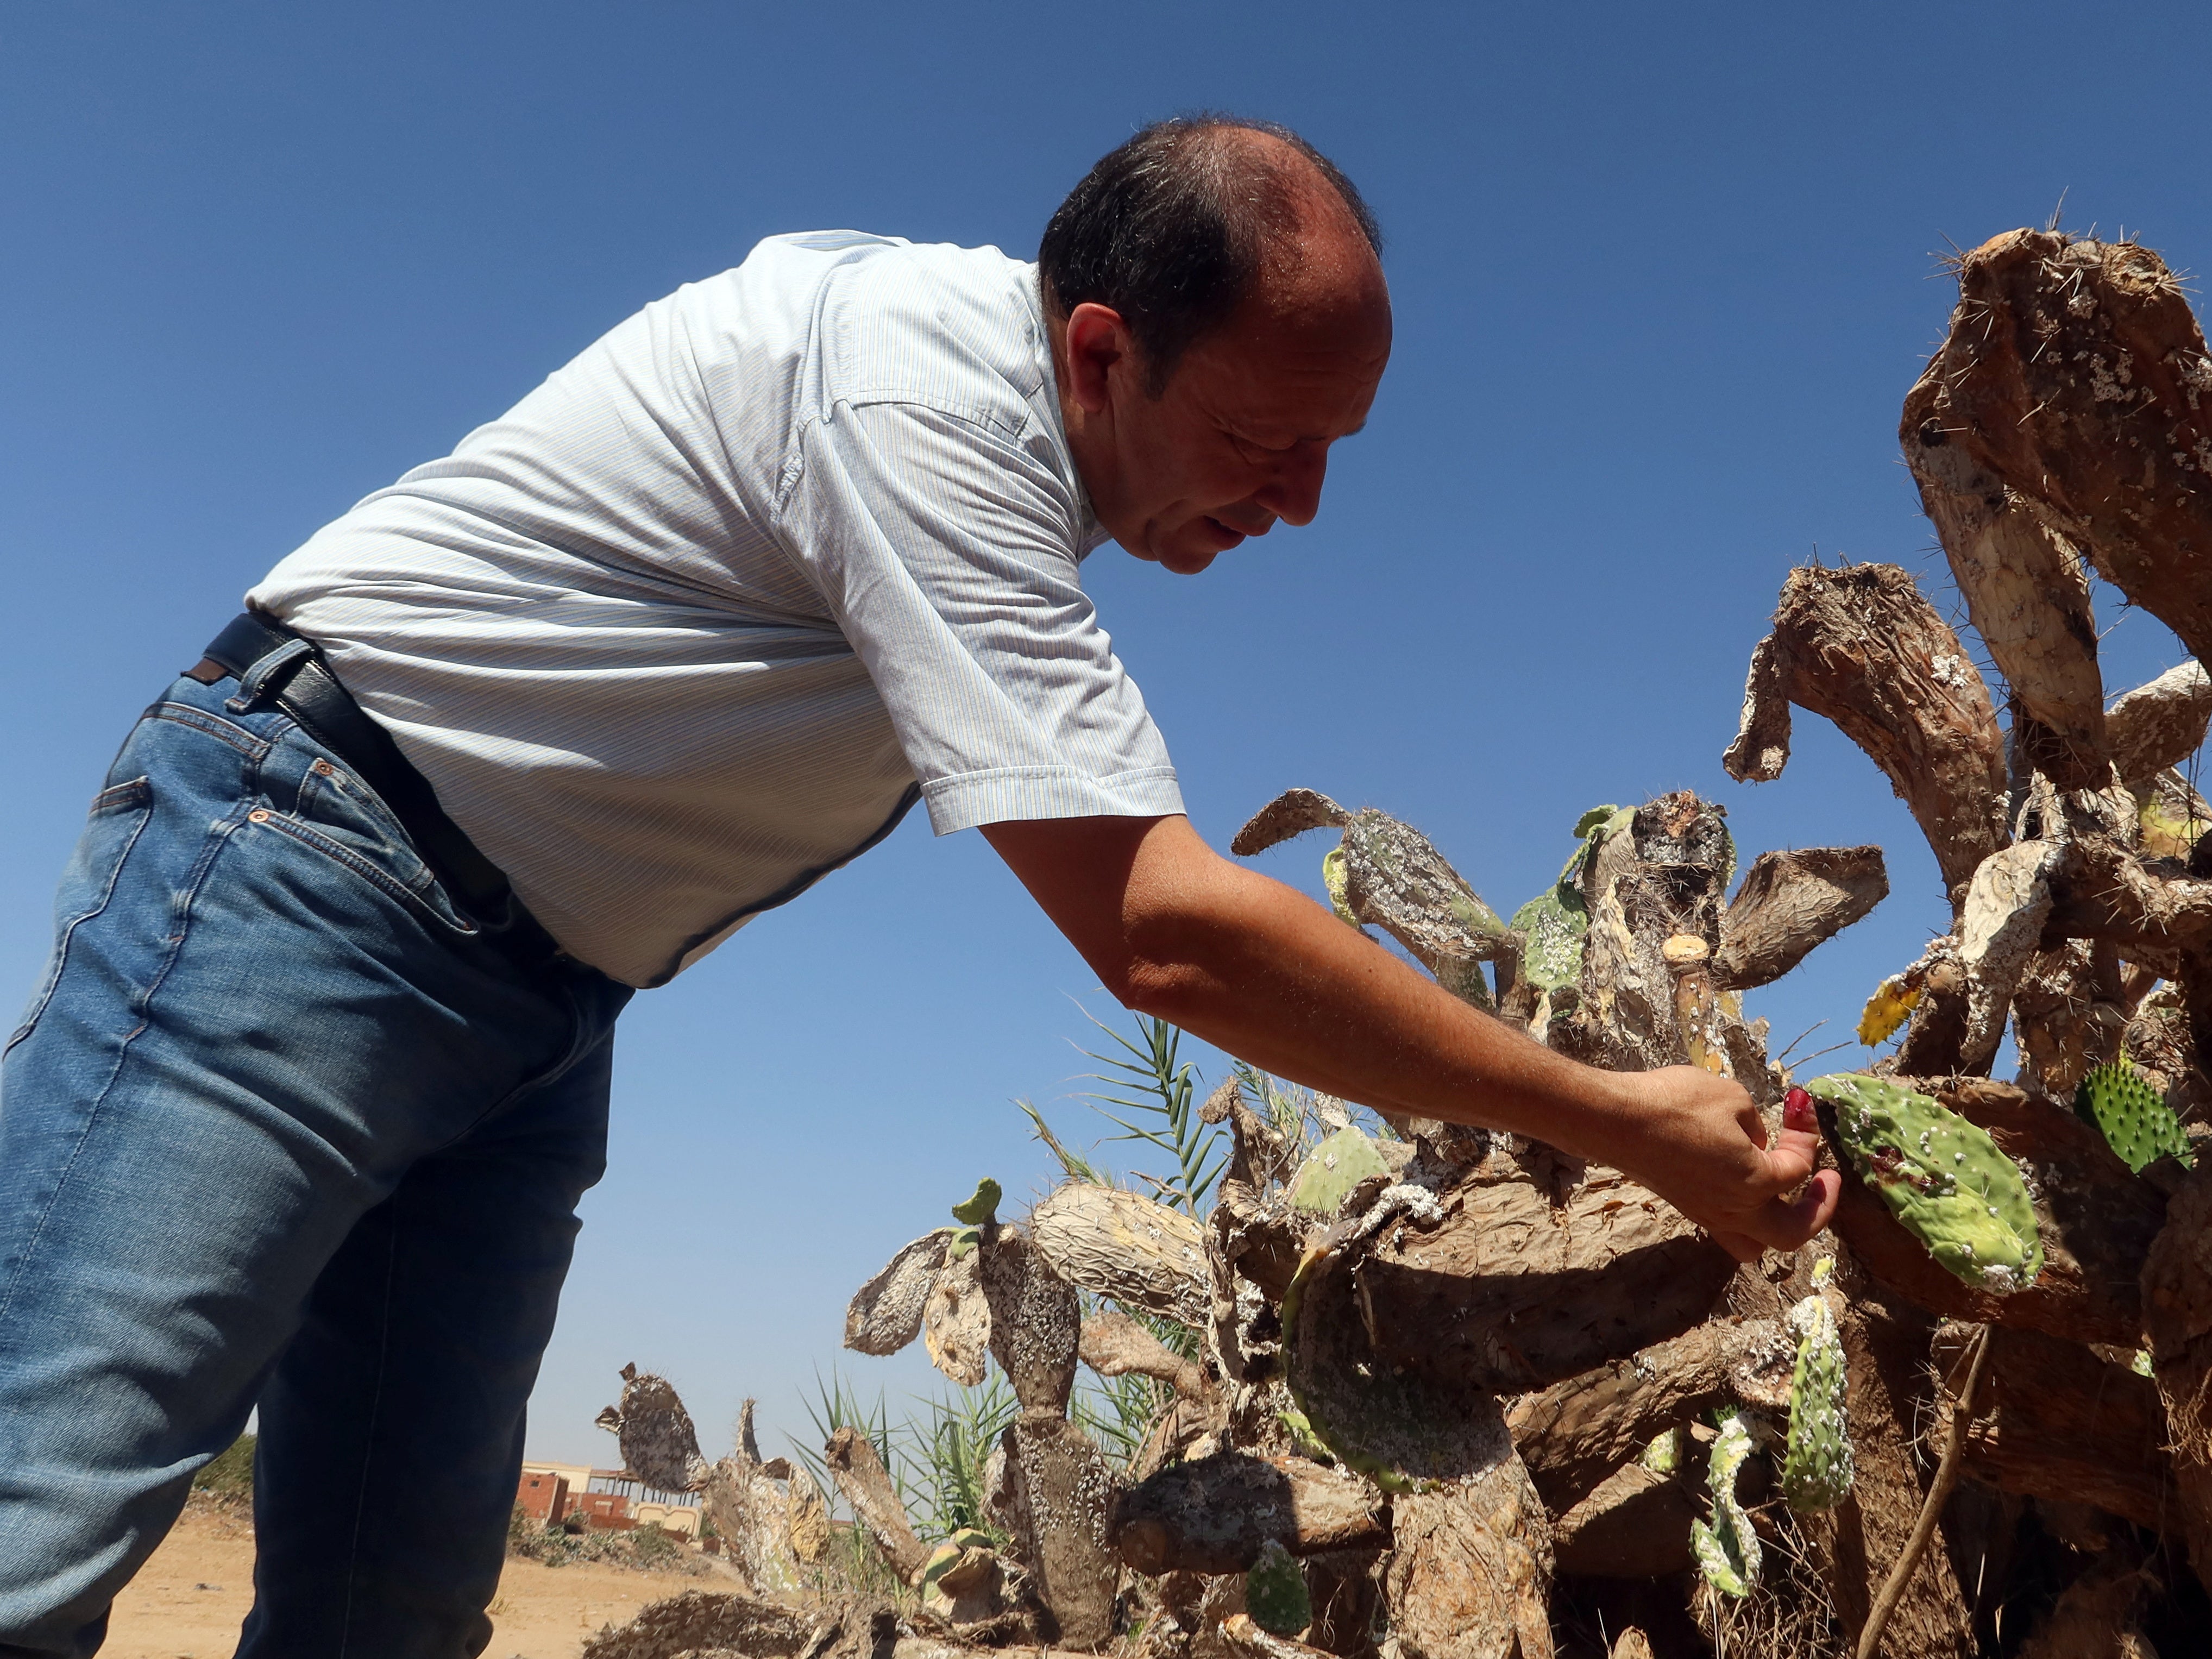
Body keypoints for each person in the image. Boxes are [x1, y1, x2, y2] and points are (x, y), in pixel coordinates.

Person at [0, 116, 1839, 1657]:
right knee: (38, 1518)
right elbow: (1166, 934)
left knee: (384, 1614)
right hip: (305, 871)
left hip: (531, 1006)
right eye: (1267, 445)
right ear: (1102, 352)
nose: (1299, 508)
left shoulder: (1004, 460)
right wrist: (1629, 1123)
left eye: (1332, 452)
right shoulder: (925, 403)